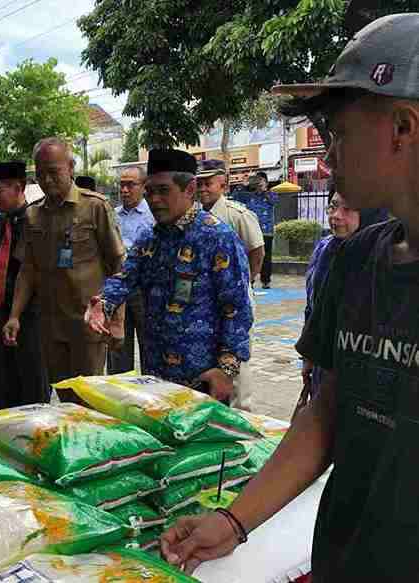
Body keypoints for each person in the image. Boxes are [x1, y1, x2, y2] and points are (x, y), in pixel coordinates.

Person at [160, 14, 419, 580]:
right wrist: (234, 522)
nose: (327, 157)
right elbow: (326, 411)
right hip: (344, 557)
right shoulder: (355, 262)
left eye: (338, 133)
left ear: (402, 126)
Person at [88, 149, 253, 403]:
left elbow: (236, 309)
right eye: (150, 192)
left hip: (203, 381)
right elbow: (125, 278)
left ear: (189, 189)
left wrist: (226, 371)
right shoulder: (150, 239)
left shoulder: (218, 238)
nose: (154, 200)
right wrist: (104, 304)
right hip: (156, 379)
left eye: (163, 191)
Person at [4, 137, 125, 396]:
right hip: (50, 326)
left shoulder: (95, 207)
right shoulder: (32, 214)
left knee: (90, 399)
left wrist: (117, 321)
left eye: (53, 172)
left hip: (88, 323)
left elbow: (118, 266)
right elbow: (28, 269)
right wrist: (14, 315)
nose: (47, 180)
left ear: (70, 167)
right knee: (64, 395)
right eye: (40, 174)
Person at [301, 190, 389, 399]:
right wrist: (309, 355)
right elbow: (313, 307)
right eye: (333, 206)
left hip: (366, 374)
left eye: (347, 209)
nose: (336, 215)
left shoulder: (385, 258)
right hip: (324, 365)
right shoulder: (325, 249)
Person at [197, 159, 265, 411]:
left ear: (223, 184)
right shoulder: (193, 215)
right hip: (207, 300)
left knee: (238, 357)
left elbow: (256, 250)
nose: (203, 188)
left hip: (236, 298)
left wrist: (246, 283)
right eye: (199, 183)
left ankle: (242, 414)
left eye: (208, 183)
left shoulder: (237, 214)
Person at [0, 161, 49, 409]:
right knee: (3, 375)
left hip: (31, 312)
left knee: (32, 379)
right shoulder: (2, 222)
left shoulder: (35, 221)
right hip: (2, 307)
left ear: (18, 187)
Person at [108, 166, 155, 374]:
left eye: (130, 185)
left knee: (150, 346)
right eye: (122, 185)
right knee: (117, 348)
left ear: (144, 187)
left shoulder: (154, 215)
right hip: (118, 290)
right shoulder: (111, 215)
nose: (124, 190)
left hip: (146, 290)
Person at [235, 171, 279, 288]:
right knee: (250, 255)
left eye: (261, 180)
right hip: (251, 230)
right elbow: (235, 196)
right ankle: (251, 280)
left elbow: (274, 200)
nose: (258, 183)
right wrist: (244, 185)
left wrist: (264, 189)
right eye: (257, 180)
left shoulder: (271, 194)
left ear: (266, 182)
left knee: (266, 257)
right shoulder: (249, 195)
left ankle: (266, 281)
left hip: (266, 231)